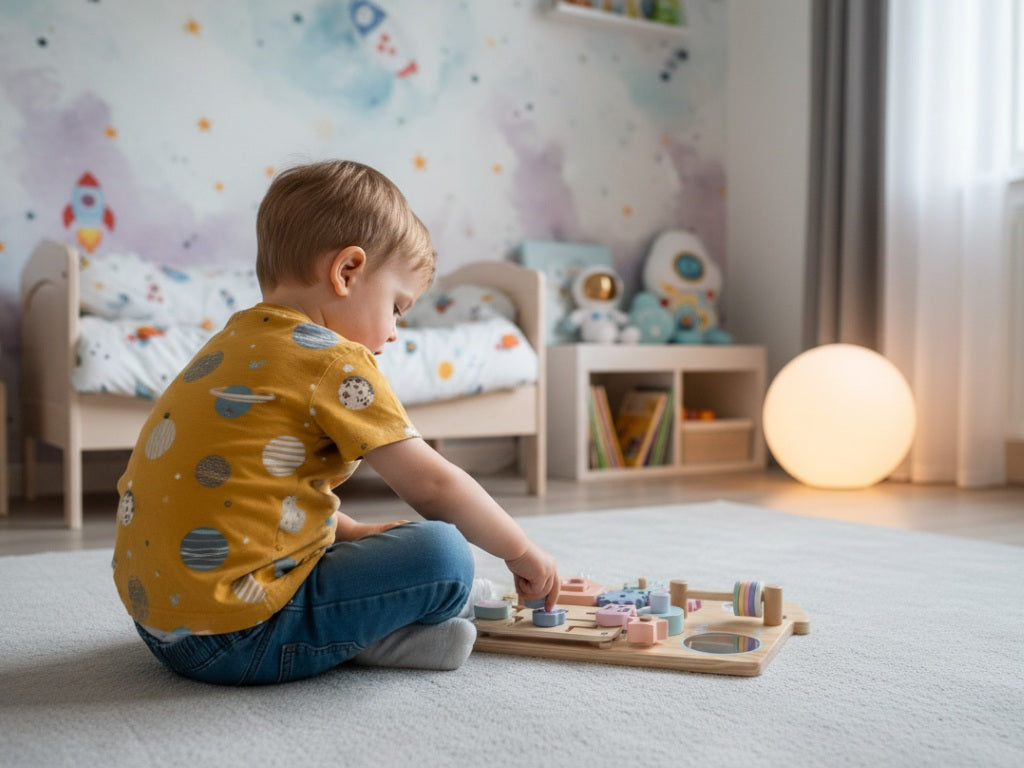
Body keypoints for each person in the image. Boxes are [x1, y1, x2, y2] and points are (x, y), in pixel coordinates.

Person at [112, 159, 560, 685]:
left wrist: (355, 532)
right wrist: (522, 550)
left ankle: (364, 629)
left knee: (390, 544)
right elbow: (434, 485)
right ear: (347, 272)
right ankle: (371, 638)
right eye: (397, 306)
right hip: (240, 636)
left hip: (161, 628)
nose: (394, 332)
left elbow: (255, 493)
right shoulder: (334, 361)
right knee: (442, 553)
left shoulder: (226, 344)